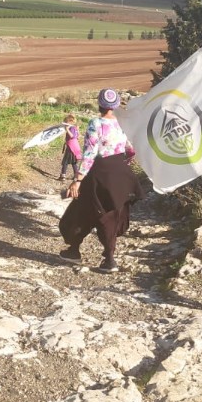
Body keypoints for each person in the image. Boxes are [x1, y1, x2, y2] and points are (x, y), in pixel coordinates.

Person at [58, 88, 141, 272]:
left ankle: (74, 250)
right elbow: (131, 150)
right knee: (111, 215)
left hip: (100, 173)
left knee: (82, 209)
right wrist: (122, 164)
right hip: (120, 173)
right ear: (116, 105)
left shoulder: (96, 123)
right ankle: (109, 259)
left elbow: (89, 153)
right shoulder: (122, 123)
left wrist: (78, 180)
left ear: (99, 104)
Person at [59, 114, 81, 182]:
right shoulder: (75, 127)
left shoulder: (71, 128)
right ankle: (76, 176)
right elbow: (78, 136)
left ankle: (63, 176)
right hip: (75, 147)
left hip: (71, 147)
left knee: (65, 162)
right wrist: (78, 130)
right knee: (74, 162)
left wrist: (67, 129)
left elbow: (72, 136)